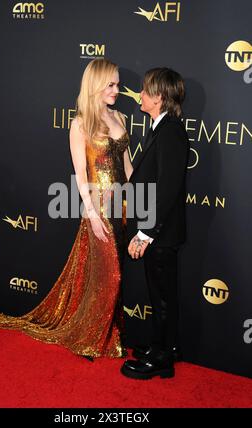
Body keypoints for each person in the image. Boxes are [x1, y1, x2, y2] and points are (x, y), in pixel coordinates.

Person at [0, 59, 133, 359]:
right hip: (99, 210)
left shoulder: (121, 118)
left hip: (124, 206)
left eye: (117, 84)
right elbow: (81, 175)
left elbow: (127, 168)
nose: (117, 89)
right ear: (96, 84)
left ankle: (109, 336)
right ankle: (90, 338)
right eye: (111, 84)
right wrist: (91, 214)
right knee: (109, 276)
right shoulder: (80, 124)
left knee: (117, 276)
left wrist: (146, 201)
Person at [121, 68, 189, 379]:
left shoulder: (171, 131)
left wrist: (146, 233)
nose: (141, 95)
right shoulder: (161, 128)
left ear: (159, 98)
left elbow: (167, 188)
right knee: (159, 294)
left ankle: (162, 357)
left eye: (145, 91)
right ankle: (163, 347)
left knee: (162, 297)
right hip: (159, 231)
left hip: (160, 233)